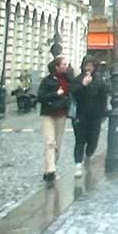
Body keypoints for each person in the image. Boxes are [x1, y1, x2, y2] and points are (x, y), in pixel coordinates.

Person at [36, 56, 72, 185]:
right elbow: (40, 97)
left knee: (58, 143)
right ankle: (51, 170)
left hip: (61, 114)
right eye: (63, 64)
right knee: (49, 141)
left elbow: (71, 94)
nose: (66, 66)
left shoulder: (68, 80)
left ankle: (50, 166)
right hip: (48, 113)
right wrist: (56, 94)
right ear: (57, 66)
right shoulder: (47, 81)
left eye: (66, 64)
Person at [70, 58, 109, 177]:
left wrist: (104, 113)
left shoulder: (99, 81)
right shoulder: (77, 80)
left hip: (95, 115)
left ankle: (88, 155)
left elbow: (103, 97)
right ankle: (78, 164)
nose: (89, 68)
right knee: (80, 140)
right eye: (87, 66)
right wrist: (83, 85)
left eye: (91, 66)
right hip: (80, 115)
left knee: (93, 140)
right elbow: (73, 93)